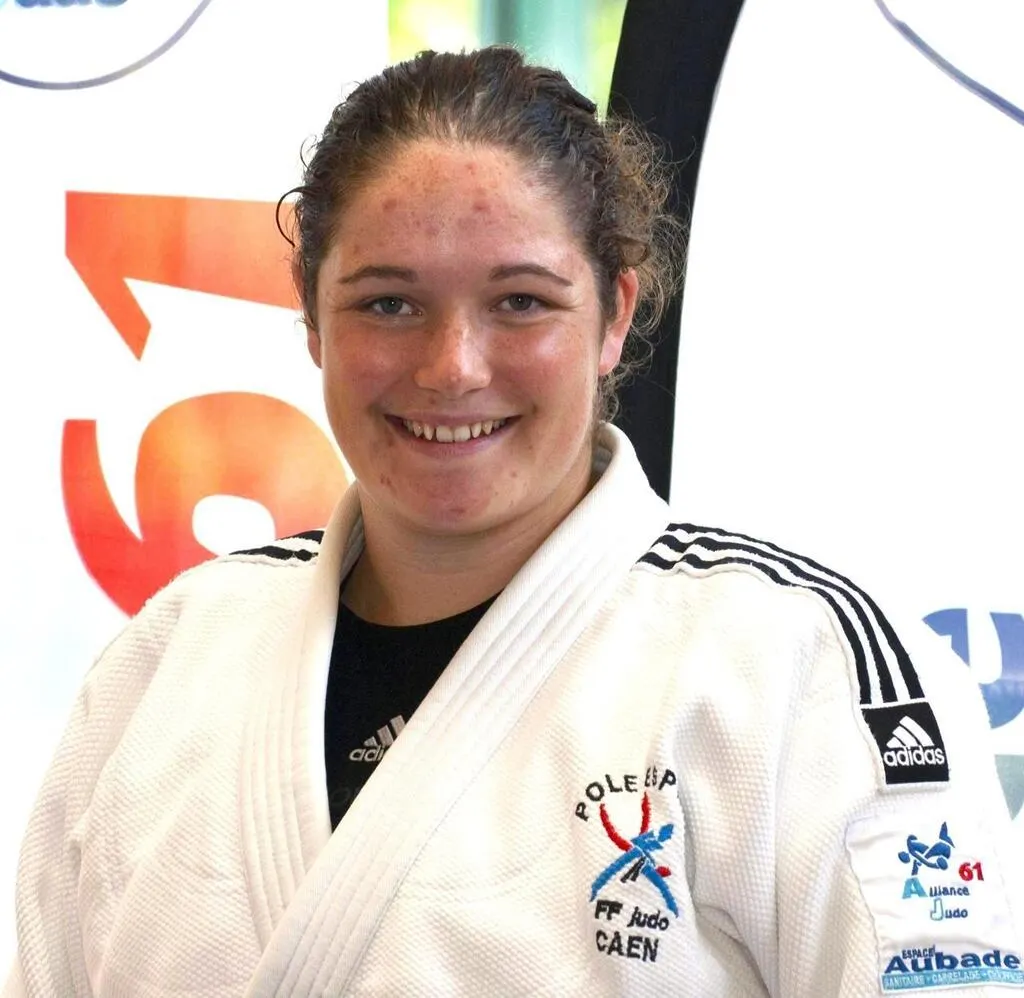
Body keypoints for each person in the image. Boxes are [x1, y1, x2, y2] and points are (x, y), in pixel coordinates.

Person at [4, 46, 1021, 998]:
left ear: (614, 315)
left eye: (522, 302)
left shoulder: (797, 665)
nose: (452, 366)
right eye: (388, 303)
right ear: (311, 316)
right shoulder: (171, 655)